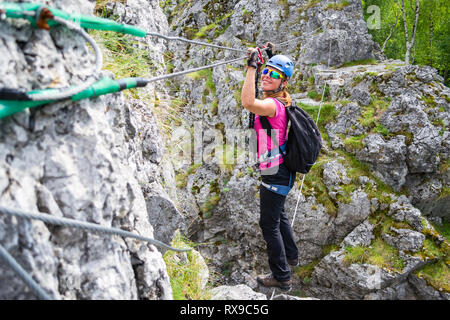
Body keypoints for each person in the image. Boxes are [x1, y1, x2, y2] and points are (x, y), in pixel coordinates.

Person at [241, 45, 299, 291]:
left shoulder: (272, 106)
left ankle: (281, 276)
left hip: (274, 171)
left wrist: (252, 67)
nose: (267, 75)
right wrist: (267, 55)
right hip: (281, 170)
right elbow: (256, 99)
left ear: (282, 82)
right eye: (267, 71)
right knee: (280, 214)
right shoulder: (280, 100)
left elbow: (247, 102)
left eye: (274, 75)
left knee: (269, 224)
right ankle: (292, 255)